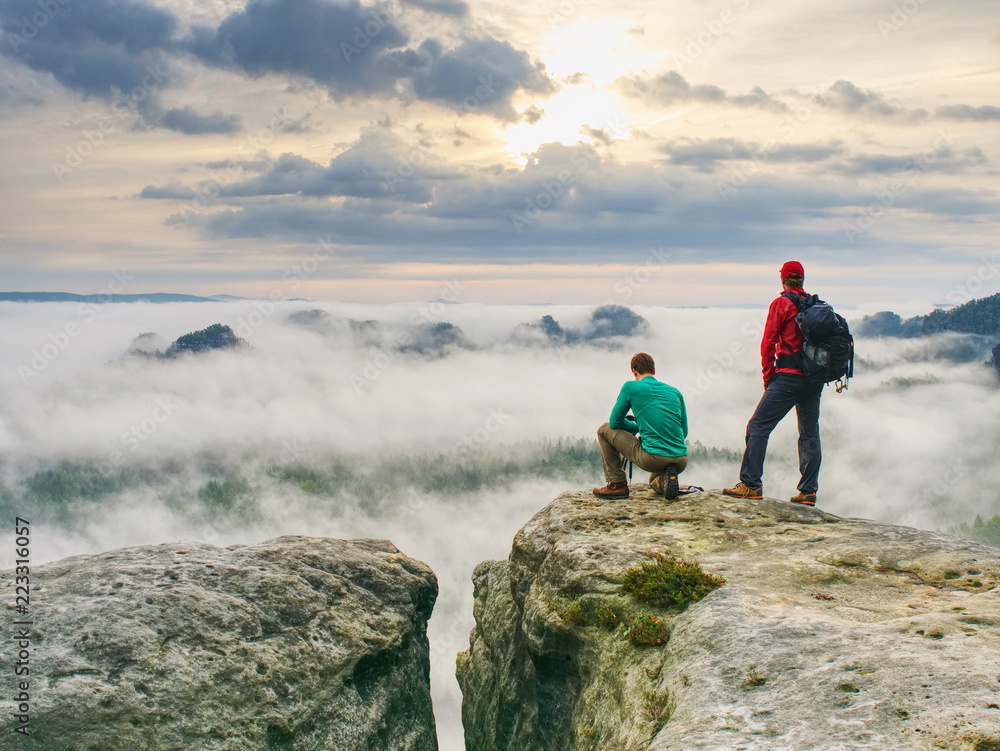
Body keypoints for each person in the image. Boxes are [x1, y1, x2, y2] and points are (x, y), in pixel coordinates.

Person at [723, 261, 823, 506]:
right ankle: (808, 491)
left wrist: (768, 377)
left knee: (758, 426)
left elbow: (768, 343)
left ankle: (751, 485)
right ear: (802, 279)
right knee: (809, 433)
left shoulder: (781, 304)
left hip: (788, 377)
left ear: (783, 280)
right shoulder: (815, 305)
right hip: (814, 379)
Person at [593, 352, 689, 500]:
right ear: (654, 370)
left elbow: (614, 422)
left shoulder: (631, 387)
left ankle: (617, 484)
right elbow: (684, 432)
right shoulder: (675, 392)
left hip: (653, 459)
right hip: (681, 459)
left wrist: (636, 427)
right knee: (653, 482)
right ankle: (664, 480)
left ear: (634, 371)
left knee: (604, 429)